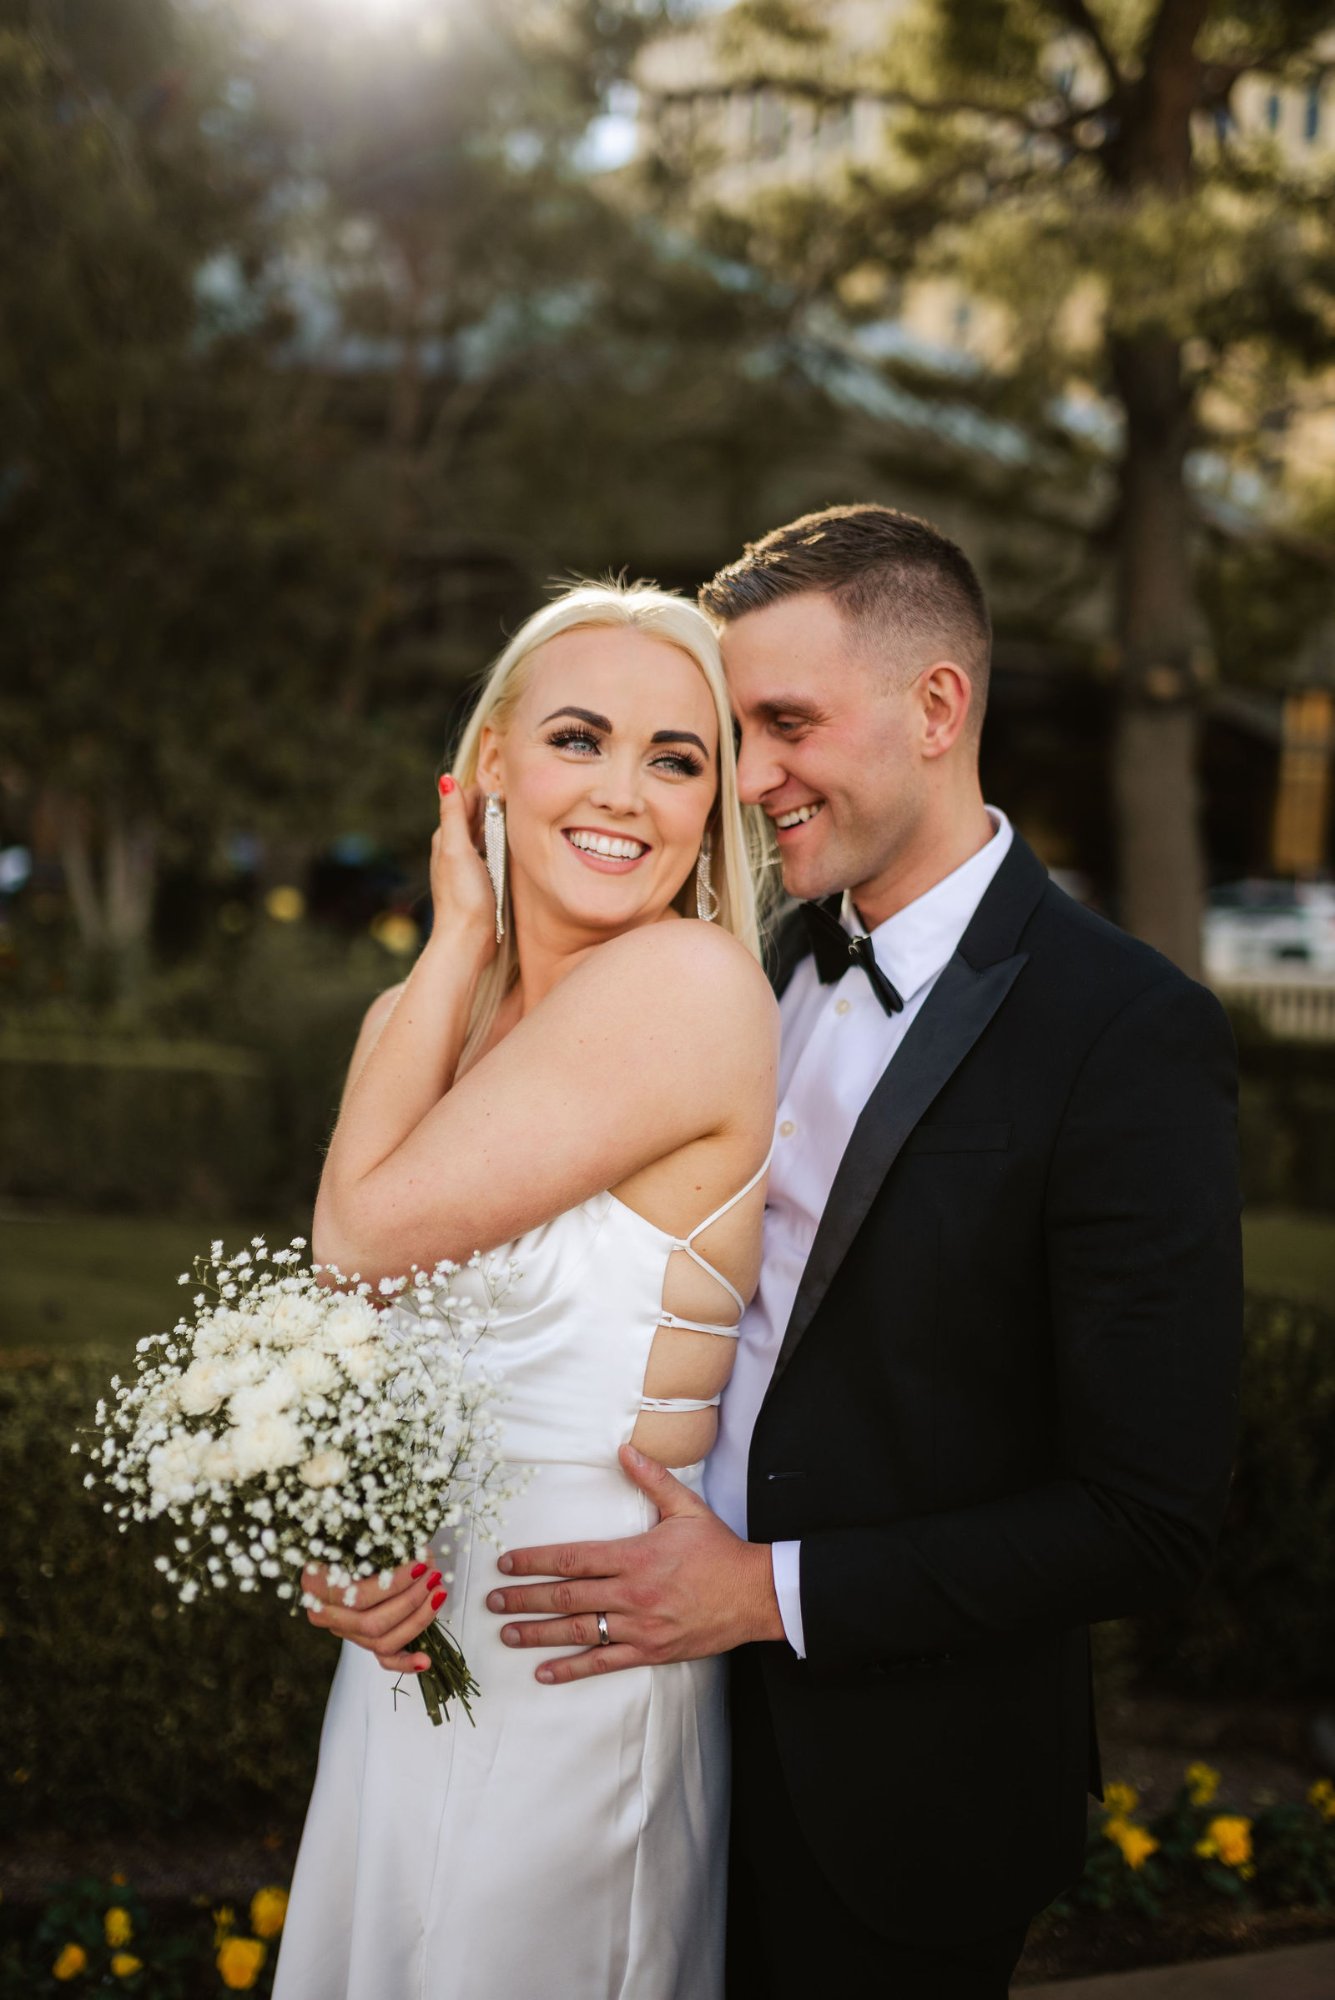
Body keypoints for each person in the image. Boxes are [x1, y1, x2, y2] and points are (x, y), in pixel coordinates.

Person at [484, 505, 1244, 1999]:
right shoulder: (734, 969)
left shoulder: (1127, 1033)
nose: (748, 779)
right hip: (641, 1741)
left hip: (902, 1797)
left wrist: (767, 1594)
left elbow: (1153, 1515)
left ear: (938, 707)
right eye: (734, 730)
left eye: (785, 724)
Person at [273, 581, 779, 2000]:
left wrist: (447, 941)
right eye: (579, 738)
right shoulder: (426, 1018)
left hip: (579, 1656)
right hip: (411, 1659)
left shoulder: (684, 983)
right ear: (490, 763)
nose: (627, 792)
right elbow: (339, 1337)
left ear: (711, 803)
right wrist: (343, 1551)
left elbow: (360, 1237)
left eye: (678, 759)